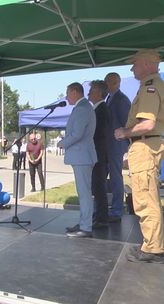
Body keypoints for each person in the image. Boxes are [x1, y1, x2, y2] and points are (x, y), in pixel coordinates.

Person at [114, 49, 164, 263]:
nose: (132, 68)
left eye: (135, 64)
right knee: (146, 196)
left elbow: (148, 123)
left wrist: (124, 132)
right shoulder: (152, 85)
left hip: (144, 146)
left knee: (145, 198)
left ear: (146, 63)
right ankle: (151, 244)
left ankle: (153, 249)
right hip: (145, 145)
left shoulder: (149, 87)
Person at [59, 82, 97, 238]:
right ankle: (84, 223)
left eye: (68, 93)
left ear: (75, 92)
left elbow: (77, 134)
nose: (66, 97)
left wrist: (63, 143)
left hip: (82, 156)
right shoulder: (84, 107)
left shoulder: (82, 109)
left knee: (84, 193)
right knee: (84, 192)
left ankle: (86, 227)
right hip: (83, 156)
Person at [104, 72, 131, 223]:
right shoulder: (110, 98)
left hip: (116, 145)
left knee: (115, 178)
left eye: (108, 82)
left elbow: (127, 124)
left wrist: (125, 146)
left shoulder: (121, 100)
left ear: (116, 83)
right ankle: (106, 209)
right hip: (108, 145)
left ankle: (117, 210)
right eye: (105, 82)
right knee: (104, 177)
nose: (106, 85)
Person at [88, 80, 111, 228]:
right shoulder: (98, 109)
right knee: (97, 186)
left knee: (99, 186)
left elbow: (99, 133)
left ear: (98, 92)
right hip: (98, 152)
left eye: (91, 90)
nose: (88, 93)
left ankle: (102, 218)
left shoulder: (101, 109)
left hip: (99, 153)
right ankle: (99, 215)